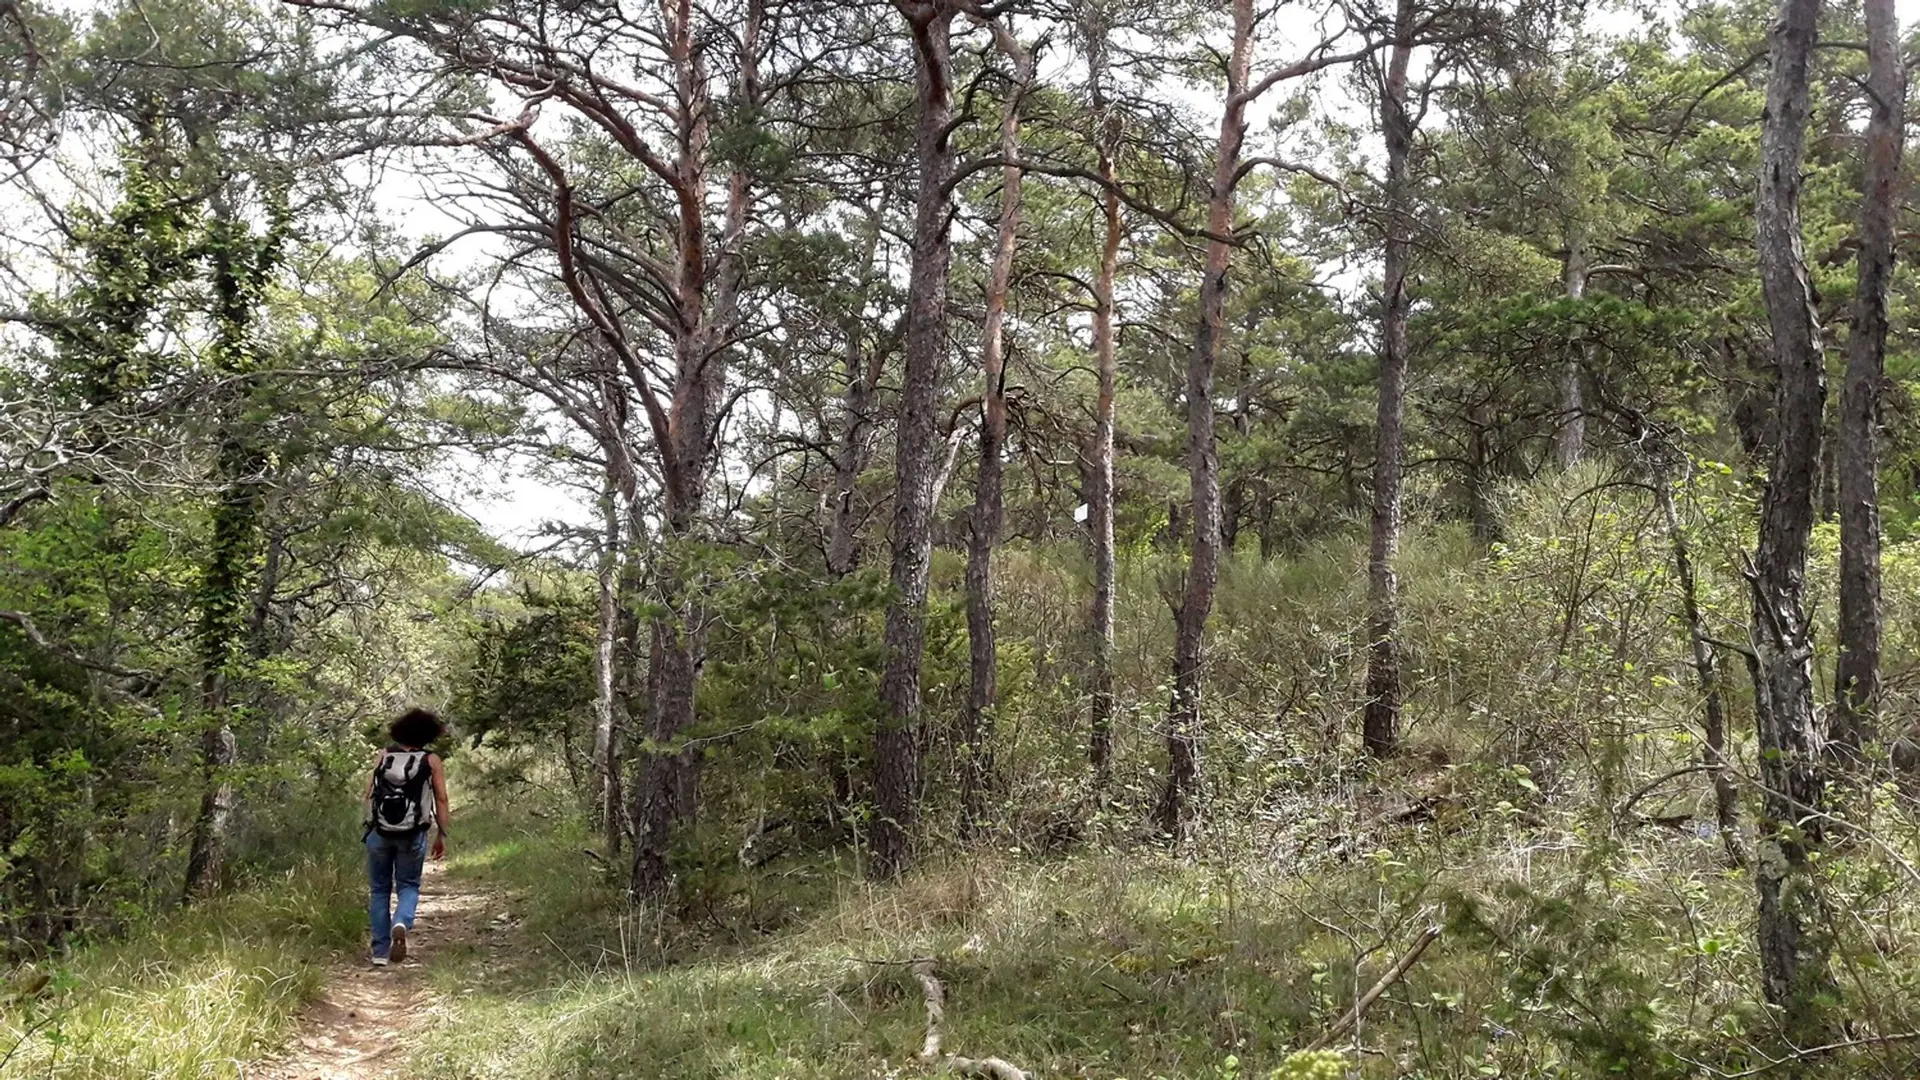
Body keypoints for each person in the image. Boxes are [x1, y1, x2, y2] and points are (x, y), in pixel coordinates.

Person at [361, 707, 451, 967]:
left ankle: (379, 952)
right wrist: (441, 835)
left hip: (379, 832)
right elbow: (441, 799)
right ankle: (401, 921)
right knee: (408, 885)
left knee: (379, 890)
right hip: (413, 833)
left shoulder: (385, 755)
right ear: (428, 734)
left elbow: (367, 794)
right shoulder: (431, 760)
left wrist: (368, 824)